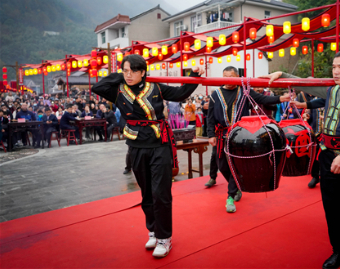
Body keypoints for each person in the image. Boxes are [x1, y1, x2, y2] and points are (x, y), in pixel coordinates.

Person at [261, 50, 340, 269]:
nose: (335, 71)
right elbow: (305, 83)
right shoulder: (331, 90)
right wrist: (283, 73)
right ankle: (339, 251)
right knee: (331, 206)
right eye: (333, 67)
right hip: (327, 156)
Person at [92, 54, 203, 258]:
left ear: (143, 72)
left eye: (133, 71)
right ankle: (152, 230)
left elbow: (180, 93)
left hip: (159, 145)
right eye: (126, 71)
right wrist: (120, 74)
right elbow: (97, 87)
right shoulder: (118, 90)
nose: (129, 75)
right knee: (146, 193)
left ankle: (164, 238)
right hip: (136, 146)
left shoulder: (156, 87)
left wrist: (192, 75)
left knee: (161, 192)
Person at [207, 66, 290, 213]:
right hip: (222, 134)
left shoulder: (243, 92)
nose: (227, 80)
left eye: (231, 76)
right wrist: (210, 134)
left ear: (237, 77)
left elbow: (261, 99)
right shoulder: (215, 95)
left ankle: (230, 196)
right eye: (225, 76)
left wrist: (279, 98)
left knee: (235, 165)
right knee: (222, 166)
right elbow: (210, 117)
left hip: (240, 135)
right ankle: (237, 186)